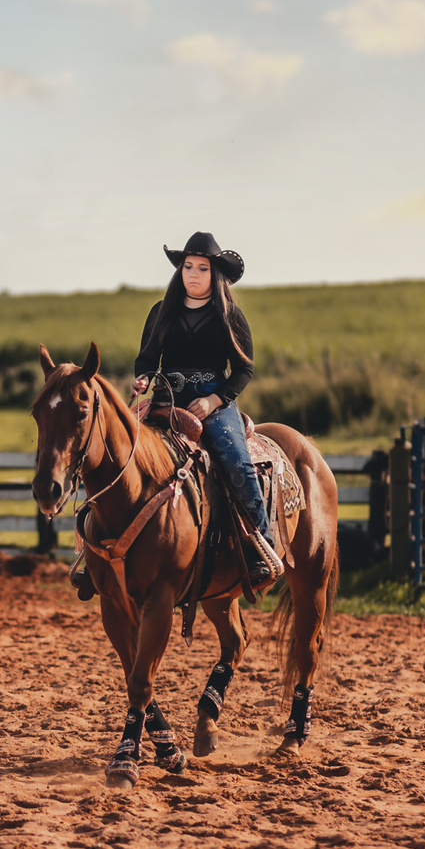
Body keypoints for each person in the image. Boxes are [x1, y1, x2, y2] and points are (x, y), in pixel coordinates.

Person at [133, 231, 284, 587]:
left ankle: (260, 545)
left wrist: (215, 400)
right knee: (118, 449)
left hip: (214, 403)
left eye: (202, 267)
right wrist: (141, 379)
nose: (194, 274)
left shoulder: (229, 314)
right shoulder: (161, 312)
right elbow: (146, 358)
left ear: (215, 274)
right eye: (188, 267)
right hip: (165, 401)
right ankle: (99, 548)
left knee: (235, 459)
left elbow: (244, 369)